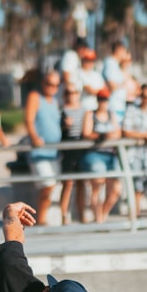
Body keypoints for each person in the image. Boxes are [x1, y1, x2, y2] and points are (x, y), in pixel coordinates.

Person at [23, 70, 62, 225]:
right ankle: (41, 219)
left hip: (54, 152)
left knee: (52, 186)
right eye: (49, 84)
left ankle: (43, 218)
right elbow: (28, 119)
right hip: (39, 151)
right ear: (43, 83)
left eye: (55, 85)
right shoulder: (35, 97)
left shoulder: (55, 101)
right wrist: (34, 137)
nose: (52, 87)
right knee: (47, 184)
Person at [81, 87, 122, 223]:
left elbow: (117, 132)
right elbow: (86, 134)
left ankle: (102, 216)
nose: (103, 102)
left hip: (110, 155)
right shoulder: (90, 114)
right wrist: (103, 136)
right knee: (97, 187)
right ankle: (98, 219)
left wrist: (112, 136)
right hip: (95, 154)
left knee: (116, 189)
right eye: (101, 99)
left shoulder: (112, 114)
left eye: (105, 99)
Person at [121, 83, 147, 214]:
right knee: (137, 180)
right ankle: (136, 210)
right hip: (134, 152)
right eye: (145, 97)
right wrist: (145, 135)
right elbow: (126, 131)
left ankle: (136, 207)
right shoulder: (131, 110)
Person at [58, 83, 87, 224]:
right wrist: (63, 125)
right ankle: (64, 215)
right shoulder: (61, 111)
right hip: (68, 148)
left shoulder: (84, 111)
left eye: (75, 92)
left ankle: (81, 214)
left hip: (81, 147)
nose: (72, 95)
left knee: (81, 182)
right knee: (68, 183)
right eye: (69, 93)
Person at [102, 41, 131, 122]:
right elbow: (112, 86)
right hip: (113, 107)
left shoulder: (115, 64)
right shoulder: (110, 63)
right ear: (118, 50)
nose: (125, 54)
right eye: (124, 51)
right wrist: (124, 83)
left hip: (119, 106)